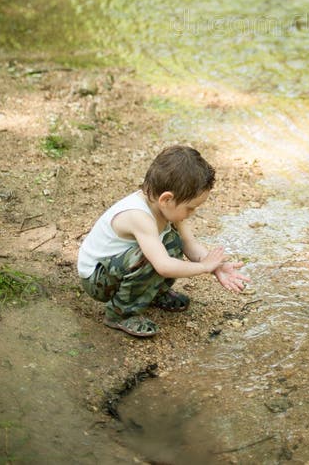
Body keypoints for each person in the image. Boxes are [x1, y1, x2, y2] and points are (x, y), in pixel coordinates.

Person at [77, 144, 249, 338]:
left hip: (118, 268)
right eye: (190, 208)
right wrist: (204, 268)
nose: (192, 213)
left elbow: (189, 245)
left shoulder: (168, 210)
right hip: (98, 278)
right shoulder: (138, 216)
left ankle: (151, 293)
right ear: (166, 199)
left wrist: (215, 265)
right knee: (150, 258)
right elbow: (164, 266)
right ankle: (120, 314)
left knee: (174, 242)